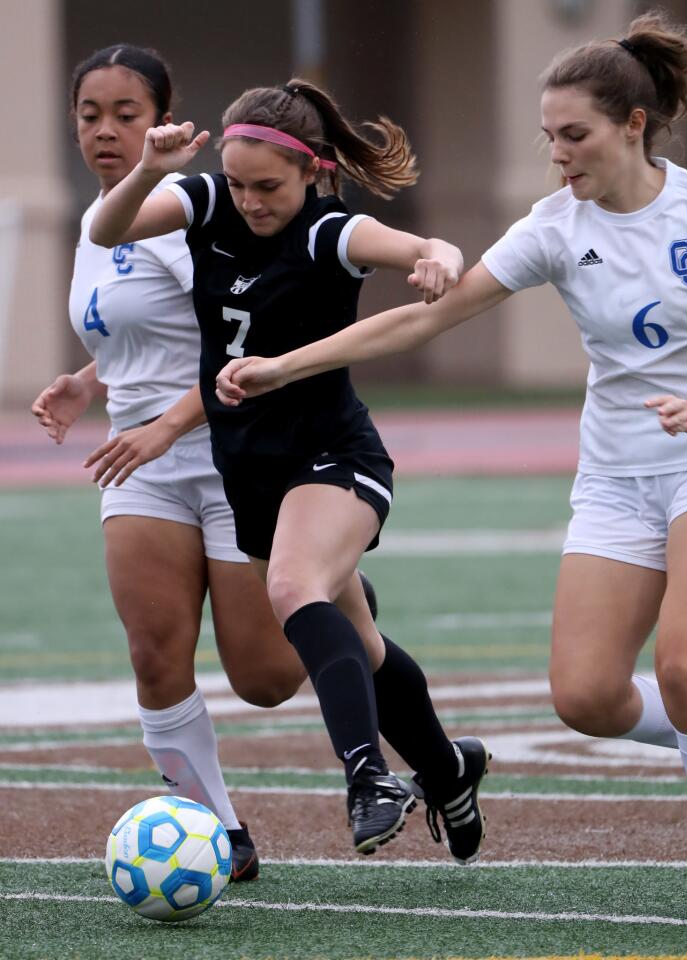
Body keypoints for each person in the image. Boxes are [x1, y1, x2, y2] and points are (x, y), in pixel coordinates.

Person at [212, 13, 687, 915]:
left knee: (686, 669)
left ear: (632, 126)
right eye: (547, 137)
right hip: (615, 473)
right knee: (585, 696)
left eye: (573, 135)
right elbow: (422, 317)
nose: (557, 154)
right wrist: (283, 366)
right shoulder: (552, 226)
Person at [88, 78, 491, 859]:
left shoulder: (325, 232)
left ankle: (368, 776)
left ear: (313, 172)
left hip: (335, 454)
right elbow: (110, 229)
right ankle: (446, 769)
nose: (249, 201)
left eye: (267, 186)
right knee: (360, 642)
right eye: (237, 183)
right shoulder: (206, 204)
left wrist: (438, 257)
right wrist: (148, 167)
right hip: (252, 469)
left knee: (291, 588)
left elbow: (417, 248)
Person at [31, 44, 310, 882]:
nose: (106, 131)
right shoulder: (96, 224)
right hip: (142, 465)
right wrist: (87, 380)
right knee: (154, 652)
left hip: (233, 450)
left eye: (126, 114)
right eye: (90, 115)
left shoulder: (197, 212)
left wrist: (166, 422)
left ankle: (337, 607)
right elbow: (139, 332)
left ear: (164, 121)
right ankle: (217, 829)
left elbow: (247, 334)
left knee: (263, 677)